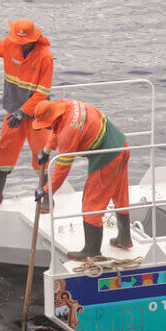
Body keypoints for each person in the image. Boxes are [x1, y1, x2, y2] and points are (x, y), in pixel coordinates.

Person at [32, 99, 131, 260]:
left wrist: (45, 190)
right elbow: (56, 128)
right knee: (120, 194)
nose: (47, 128)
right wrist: (47, 149)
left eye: (46, 125)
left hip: (107, 155)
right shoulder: (66, 105)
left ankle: (91, 251)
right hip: (121, 143)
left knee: (92, 201)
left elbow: (62, 168)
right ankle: (124, 239)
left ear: (53, 119)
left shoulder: (68, 132)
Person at [0, 19, 54, 208]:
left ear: (33, 39)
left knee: (41, 155)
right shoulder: (9, 45)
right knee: (3, 151)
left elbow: (42, 92)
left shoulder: (45, 56)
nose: (18, 42)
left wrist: (23, 112)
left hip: (37, 116)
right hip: (13, 112)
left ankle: (47, 199)